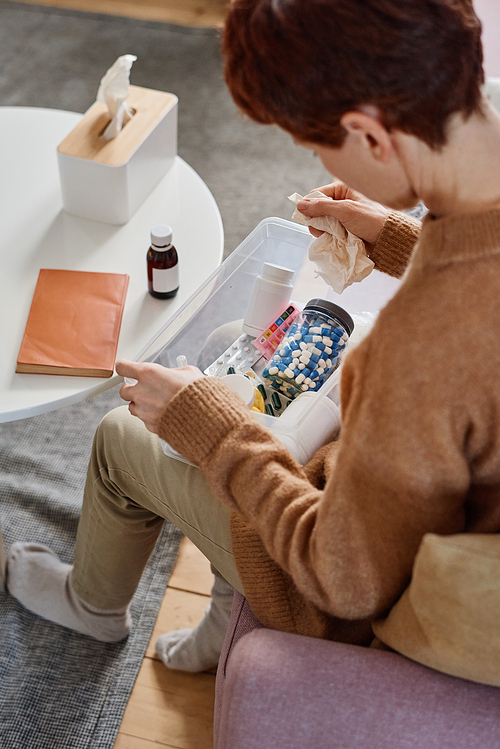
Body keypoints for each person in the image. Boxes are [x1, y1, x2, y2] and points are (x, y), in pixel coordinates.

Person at [5, 0, 500, 673]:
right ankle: (222, 595)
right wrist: (393, 237)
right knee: (245, 339)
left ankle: (90, 605)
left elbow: (344, 580)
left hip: (336, 591)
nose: (321, 158)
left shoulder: (420, 348)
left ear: (370, 136)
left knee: (123, 436)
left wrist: (209, 431)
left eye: (316, 142)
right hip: (422, 491)